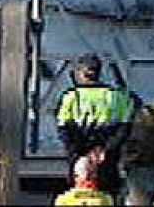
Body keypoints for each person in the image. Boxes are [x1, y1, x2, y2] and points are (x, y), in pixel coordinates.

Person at [56, 53, 139, 196]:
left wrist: (79, 154)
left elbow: (64, 130)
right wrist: (105, 150)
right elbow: (124, 128)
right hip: (106, 159)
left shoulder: (71, 97)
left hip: (80, 161)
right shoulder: (115, 96)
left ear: (81, 73)